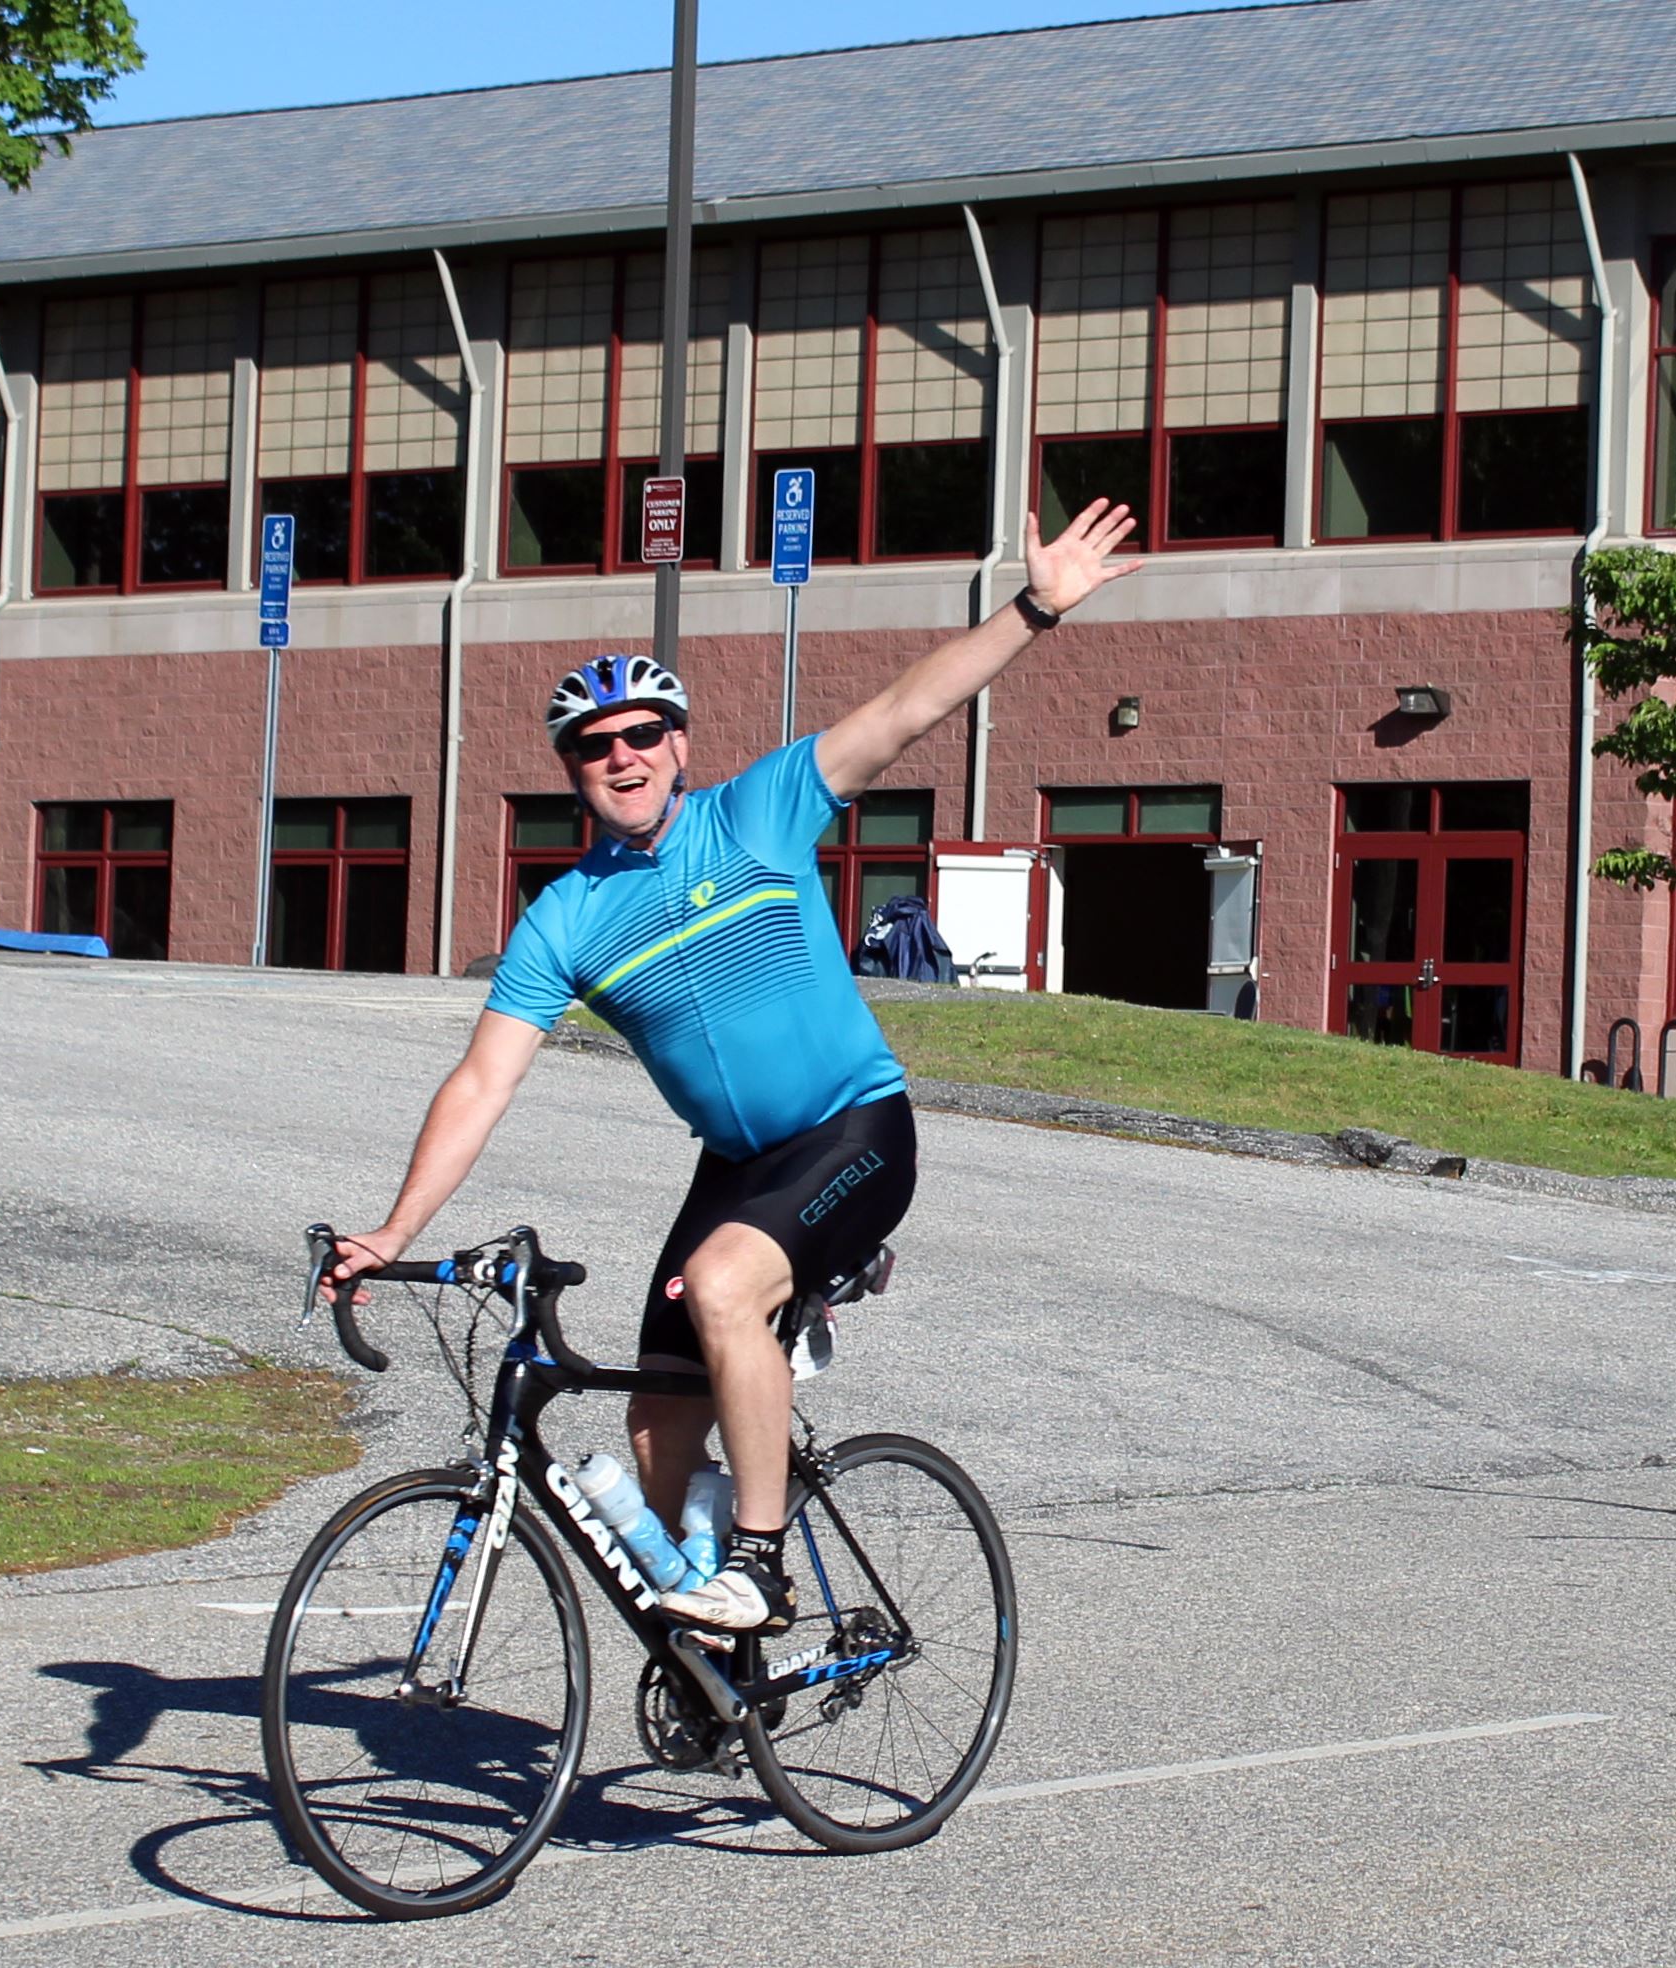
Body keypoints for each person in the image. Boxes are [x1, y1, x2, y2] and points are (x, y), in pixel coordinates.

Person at [327, 498, 1140, 1630]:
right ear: (572, 771)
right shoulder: (564, 919)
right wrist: (396, 1230)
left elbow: (911, 707)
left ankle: (758, 1565)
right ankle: (714, 1669)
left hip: (853, 1132)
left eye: (641, 735)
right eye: (595, 746)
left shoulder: (757, 813)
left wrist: (1035, 610)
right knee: (657, 1423)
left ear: (679, 746)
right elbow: (481, 1082)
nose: (622, 757)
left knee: (720, 1286)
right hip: (738, 1167)